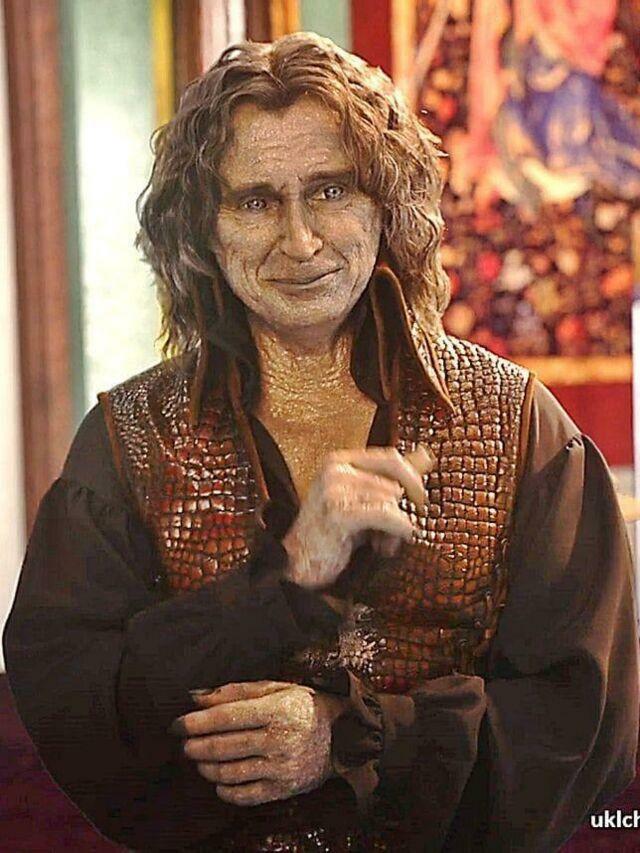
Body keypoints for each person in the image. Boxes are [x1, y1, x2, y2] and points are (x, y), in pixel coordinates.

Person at [3, 32, 639, 852]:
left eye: (331, 190)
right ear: (204, 229)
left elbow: (586, 726)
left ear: (386, 205)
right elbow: (69, 707)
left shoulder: (520, 425)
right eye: (256, 201)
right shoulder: (129, 439)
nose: (300, 241)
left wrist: (352, 737)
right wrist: (286, 577)